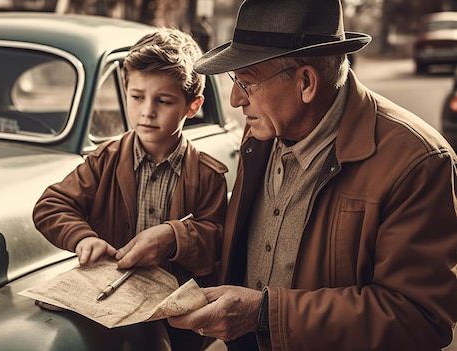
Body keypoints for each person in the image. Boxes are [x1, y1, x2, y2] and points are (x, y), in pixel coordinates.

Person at [167, 0, 457, 350]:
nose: (234, 100)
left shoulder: (417, 162)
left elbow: (418, 319)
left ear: (306, 82)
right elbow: (247, 238)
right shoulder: (263, 130)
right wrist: (176, 239)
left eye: (246, 83)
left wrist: (265, 314)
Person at [33, 27, 227, 350]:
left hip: (180, 325)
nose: (147, 111)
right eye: (137, 97)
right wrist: (83, 237)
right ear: (126, 93)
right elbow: (50, 205)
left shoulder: (208, 176)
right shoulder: (104, 161)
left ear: (193, 106)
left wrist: (174, 237)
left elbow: (218, 242)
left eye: (163, 101)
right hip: (113, 314)